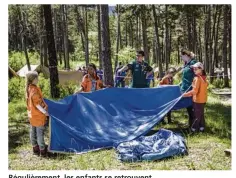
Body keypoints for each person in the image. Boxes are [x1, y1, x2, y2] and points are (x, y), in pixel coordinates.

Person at [25, 71, 50, 157]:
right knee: (40, 133)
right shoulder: (34, 90)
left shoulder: (29, 88)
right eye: (37, 78)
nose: (38, 79)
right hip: (38, 116)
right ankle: (42, 150)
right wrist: (45, 112)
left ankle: (35, 148)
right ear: (33, 79)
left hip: (32, 115)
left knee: (33, 132)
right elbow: (37, 104)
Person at [183, 62, 208, 132]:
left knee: (196, 115)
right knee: (201, 114)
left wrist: (185, 95)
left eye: (196, 69)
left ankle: (193, 129)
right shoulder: (204, 78)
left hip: (197, 100)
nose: (194, 70)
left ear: (201, 69)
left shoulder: (197, 78)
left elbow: (194, 91)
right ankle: (201, 128)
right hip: (203, 100)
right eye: (193, 69)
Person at [180, 49, 197, 128]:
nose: (181, 58)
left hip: (190, 89)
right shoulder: (186, 64)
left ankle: (193, 126)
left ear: (186, 55)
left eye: (182, 56)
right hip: (185, 88)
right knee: (188, 107)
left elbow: (197, 74)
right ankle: (191, 125)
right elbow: (184, 76)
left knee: (191, 108)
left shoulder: (193, 63)